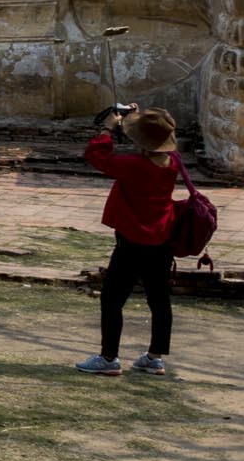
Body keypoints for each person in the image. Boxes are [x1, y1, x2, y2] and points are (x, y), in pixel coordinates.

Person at [77, 103, 180, 376]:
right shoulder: (173, 163)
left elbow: (96, 156)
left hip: (132, 243)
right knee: (159, 301)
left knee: (112, 299)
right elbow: (151, 139)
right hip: (161, 242)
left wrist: (108, 128)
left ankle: (109, 358)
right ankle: (154, 357)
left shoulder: (135, 166)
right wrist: (135, 115)